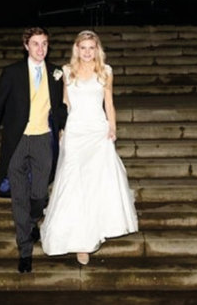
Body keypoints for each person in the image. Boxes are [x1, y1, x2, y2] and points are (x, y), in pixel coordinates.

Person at [40, 30, 138, 265]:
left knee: (95, 182)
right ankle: (72, 235)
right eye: (83, 48)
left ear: (97, 49)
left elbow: (109, 103)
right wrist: (61, 128)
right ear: (77, 49)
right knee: (73, 181)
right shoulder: (66, 71)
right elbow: (64, 102)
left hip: (97, 131)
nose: (87, 52)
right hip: (74, 131)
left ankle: (88, 236)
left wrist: (112, 127)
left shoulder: (105, 71)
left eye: (91, 48)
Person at [0, 27, 68, 273]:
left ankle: (32, 221)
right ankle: (25, 251)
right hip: (16, 142)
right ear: (26, 46)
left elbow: (60, 107)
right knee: (19, 197)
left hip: (43, 140)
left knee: (39, 194)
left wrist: (64, 125)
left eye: (44, 44)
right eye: (36, 44)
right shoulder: (12, 73)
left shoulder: (56, 73)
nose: (41, 49)